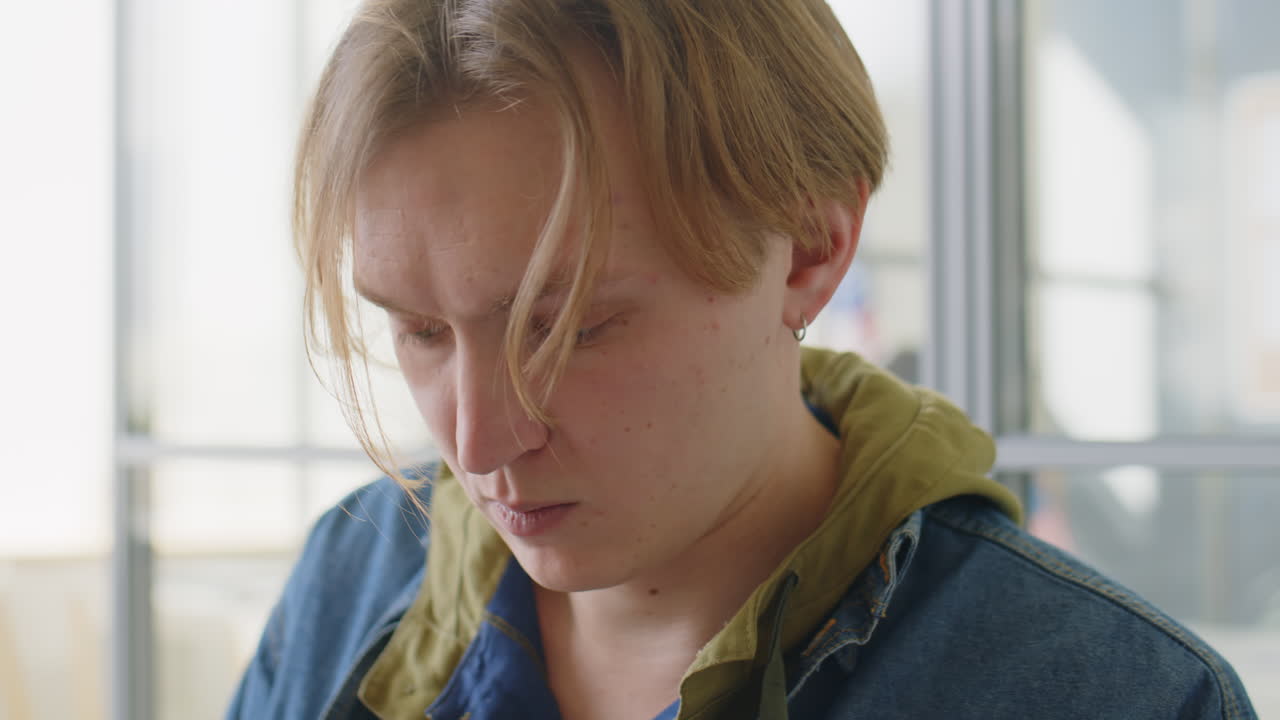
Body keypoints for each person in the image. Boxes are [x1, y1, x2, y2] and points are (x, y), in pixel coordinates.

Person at [227, 1, 1258, 718]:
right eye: (417, 330)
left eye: (572, 325)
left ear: (810, 248)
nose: (478, 438)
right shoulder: (353, 573)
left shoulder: (1108, 697)